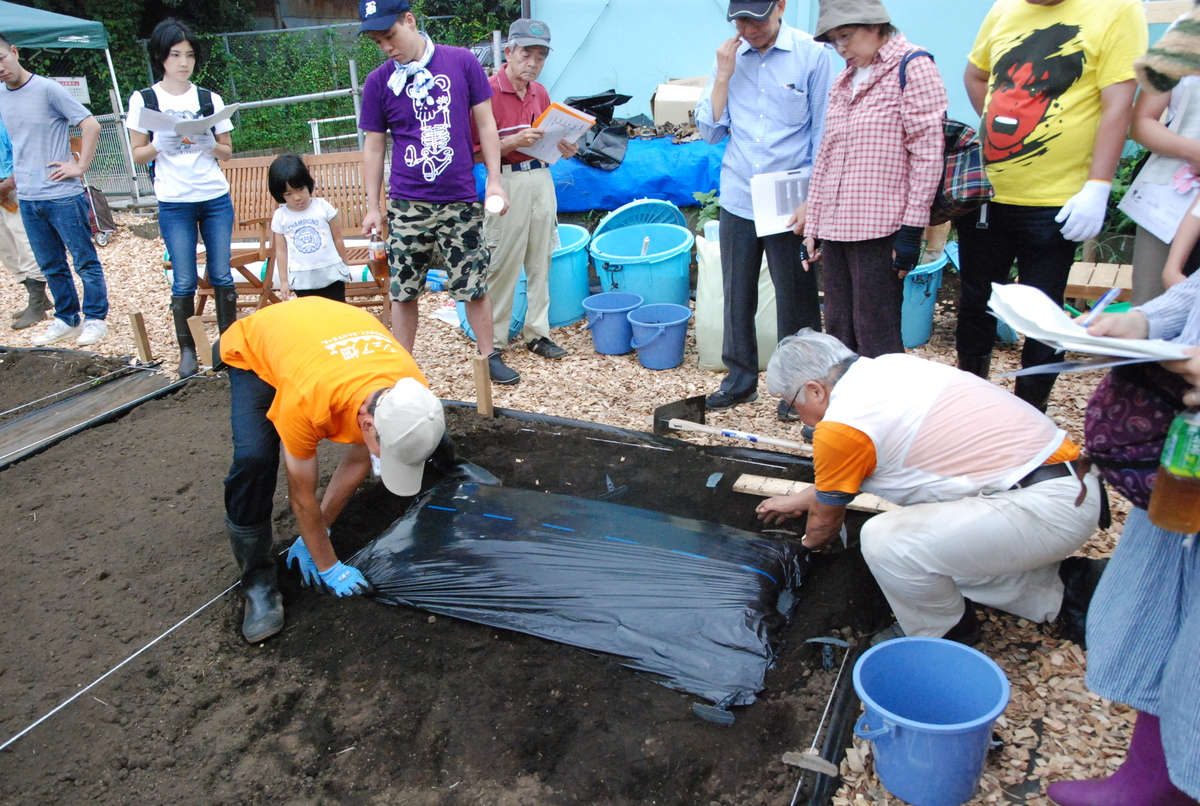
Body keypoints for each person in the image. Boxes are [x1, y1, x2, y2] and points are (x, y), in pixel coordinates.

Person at [756, 329, 1105, 644]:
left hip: (1043, 509)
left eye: (791, 404)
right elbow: (854, 471)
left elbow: (825, 523)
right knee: (929, 556)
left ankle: (945, 633)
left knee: (887, 542)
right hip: (1069, 485)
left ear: (815, 389)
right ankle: (1066, 591)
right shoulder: (889, 368)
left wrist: (804, 550)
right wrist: (800, 498)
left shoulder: (841, 425)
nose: (797, 416)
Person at [218, 296, 497, 643]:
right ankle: (258, 582)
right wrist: (326, 563)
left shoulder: (408, 385)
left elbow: (359, 458)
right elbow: (302, 495)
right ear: (367, 424)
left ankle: (453, 464)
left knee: (419, 424)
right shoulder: (307, 401)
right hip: (260, 344)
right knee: (254, 460)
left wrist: (326, 522)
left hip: (328, 330)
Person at [1046, 274, 1200, 806]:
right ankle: (1148, 780)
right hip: (1186, 465)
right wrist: (1140, 322)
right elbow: (1193, 293)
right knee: (1169, 621)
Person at [955, 0, 1145, 411]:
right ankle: (970, 407)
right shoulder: (1003, 9)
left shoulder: (1117, 10)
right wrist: (1003, 127)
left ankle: (1029, 416)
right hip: (988, 196)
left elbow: (1119, 104)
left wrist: (1098, 185)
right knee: (975, 303)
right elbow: (975, 73)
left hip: (1057, 201)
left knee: (1044, 317)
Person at [356, 0, 513, 383]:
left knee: (472, 284)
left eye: (390, 35)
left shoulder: (461, 62)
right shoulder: (380, 82)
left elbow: (487, 124)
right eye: (378, 41)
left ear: (409, 20)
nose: (387, 47)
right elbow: (374, 146)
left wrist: (494, 180)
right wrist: (373, 206)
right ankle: (401, 366)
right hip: (407, 202)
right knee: (404, 289)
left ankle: (488, 356)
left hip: (459, 197)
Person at [695, 0, 832, 419]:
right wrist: (722, 74)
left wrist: (815, 197)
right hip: (739, 191)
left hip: (790, 196)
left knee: (796, 297)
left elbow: (824, 131)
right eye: (740, 20)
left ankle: (799, 388)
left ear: (781, 8)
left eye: (756, 18)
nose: (748, 28)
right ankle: (739, 381)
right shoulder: (730, 58)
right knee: (737, 291)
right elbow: (709, 130)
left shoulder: (812, 55)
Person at [804, 0, 946, 358]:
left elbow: (927, 154)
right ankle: (846, 411)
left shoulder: (913, 65)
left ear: (874, 26)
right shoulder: (844, 80)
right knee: (837, 330)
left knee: (876, 331)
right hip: (837, 228)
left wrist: (912, 230)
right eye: (834, 40)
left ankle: (886, 412)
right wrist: (814, 226)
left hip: (882, 228)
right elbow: (826, 157)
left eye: (846, 36)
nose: (841, 48)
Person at [470, 19, 578, 384]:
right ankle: (494, 342)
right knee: (501, 261)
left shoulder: (541, 93)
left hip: (540, 177)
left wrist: (565, 147)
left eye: (540, 56)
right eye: (526, 53)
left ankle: (537, 332)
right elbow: (472, 153)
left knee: (540, 258)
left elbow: (549, 143)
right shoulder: (484, 92)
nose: (532, 62)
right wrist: (513, 142)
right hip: (506, 182)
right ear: (509, 52)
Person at [128, 18, 238, 377]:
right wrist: (159, 144)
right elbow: (137, 153)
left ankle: (227, 346)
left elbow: (227, 152)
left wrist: (209, 142)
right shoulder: (145, 99)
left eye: (189, 54)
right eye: (175, 54)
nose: (183, 62)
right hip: (174, 200)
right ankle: (188, 350)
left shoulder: (209, 98)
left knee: (221, 273)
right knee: (185, 278)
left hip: (213, 196)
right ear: (161, 56)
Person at [0, 33, 109, 348]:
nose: (1, 67)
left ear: (14, 52)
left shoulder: (47, 89)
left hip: (62, 194)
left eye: (2, 58)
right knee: (50, 264)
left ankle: (95, 319)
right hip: (28, 196)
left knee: (84, 259)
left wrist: (80, 166)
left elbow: (91, 125)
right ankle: (67, 317)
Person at [267, 152, 353, 303]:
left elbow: (338, 238)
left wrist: (345, 266)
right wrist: (284, 281)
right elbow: (281, 251)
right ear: (280, 194)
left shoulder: (323, 207)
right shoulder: (281, 216)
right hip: (302, 278)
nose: (297, 197)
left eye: (300, 189)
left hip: (332, 272)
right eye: (288, 193)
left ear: (308, 184)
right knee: (311, 315)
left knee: (337, 312)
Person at [0, 113, 49, 330]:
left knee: (24, 240)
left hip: (15, 184)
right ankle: (36, 296)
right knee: (6, 246)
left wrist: (10, 182)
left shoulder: (11, 111)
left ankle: (37, 304)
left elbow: (28, 150)